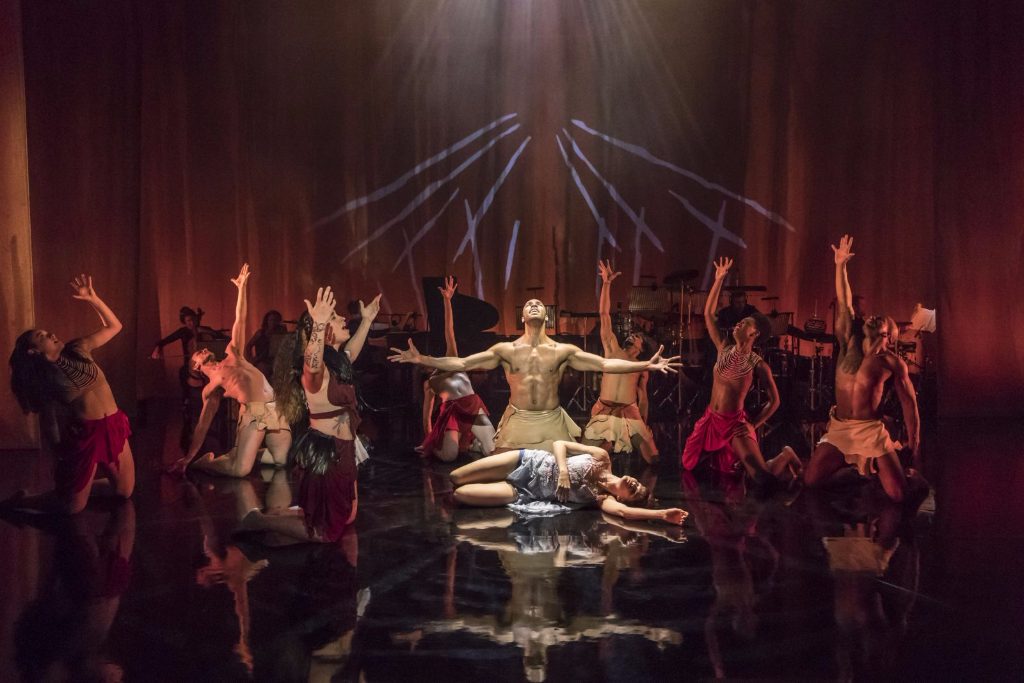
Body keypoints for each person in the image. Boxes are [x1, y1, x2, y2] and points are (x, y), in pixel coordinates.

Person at [389, 299, 681, 454]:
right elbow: (462, 361)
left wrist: (647, 365)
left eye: (539, 304)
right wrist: (422, 359)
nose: (533, 305)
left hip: (551, 420)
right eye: (529, 304)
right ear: (523, 317)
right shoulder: (506, 349)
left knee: (587, 466)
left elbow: (605, 363)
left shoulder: (562, 350)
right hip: (518, 420)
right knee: (482, 475)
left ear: (546, 316)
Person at [242, 285, 382, 543]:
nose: (343, 318)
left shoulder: (337, 363)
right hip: (326, 454)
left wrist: (367, 321)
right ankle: (258, 520)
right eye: (334, 317)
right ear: (323, 331)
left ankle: (295, 514)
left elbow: (351, 351)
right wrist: (318, 324)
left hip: (345, 448)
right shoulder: (316, 370)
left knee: (348, 517)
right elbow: (312, 365)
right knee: (324, 533)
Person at [804, 235, 924, 502]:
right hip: (840, 427)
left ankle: (906, 477)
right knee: (811, 481)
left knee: (899, 495)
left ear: (889, 335)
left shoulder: (891, 362)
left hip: (870, 430)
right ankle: (857, 471)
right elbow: (845, 302)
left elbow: (910, 405)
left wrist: (915, 446)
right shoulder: (849, 341)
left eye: (881, 319)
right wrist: (840, 266)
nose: (874, 316)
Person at [6, 275, 135, 514]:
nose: (50, 334)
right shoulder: (45, 378)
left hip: (114, 423)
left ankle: (73, 490)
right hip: (86, 433)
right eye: (42, 336)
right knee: (72, 508)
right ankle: (24, 501)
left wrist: (93, 299)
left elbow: (114, 327)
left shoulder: (78, 348)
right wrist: (58, 453)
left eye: (47, 332)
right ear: (33, 351)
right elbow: (49, 420)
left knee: (124, 491)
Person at [680, 257, 801, 487]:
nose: (738, 324)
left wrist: (753, 425)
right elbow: (708, 315)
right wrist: (718, 279)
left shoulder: (758, 364)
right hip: (710, 419)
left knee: (761, 479)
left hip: (734, 424)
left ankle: (786, 454)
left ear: (755, 334)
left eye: (745, 323)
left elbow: (775, 401)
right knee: (689, 464)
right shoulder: (724, 347)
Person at [167, 264, 291, 476]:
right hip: (254, 411)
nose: (202, 349)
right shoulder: (212, 388)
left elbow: (240, 320)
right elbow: (202, 426)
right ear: (196, 366)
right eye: (197, 353)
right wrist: (189, 458)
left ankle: (240, 452)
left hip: (273, 407)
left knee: (280, 460)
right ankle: (206, 463)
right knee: (239, 471)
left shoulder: (232, 354)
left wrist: (241, 289)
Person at [450, 440, 688, 524]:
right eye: (638, 484)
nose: (635, 484)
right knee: (455, 477)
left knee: (460, 494)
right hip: (526, 461)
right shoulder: (602, 457)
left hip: (524, 491)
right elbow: (559, 444)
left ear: (622, 498)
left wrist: (661, 515)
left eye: (634, 492)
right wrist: (563, 471)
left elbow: (624, 514)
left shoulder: (602, 498)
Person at [582, 260, 659, 463]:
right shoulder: (613, 349)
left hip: (629, 412)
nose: (633, 336)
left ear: (642, 348)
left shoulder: (641, 368)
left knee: (652, 458)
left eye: (637, 337)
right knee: (587, 458)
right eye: (633, 334)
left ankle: (617, 444)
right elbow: (604, 315)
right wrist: (607, 284)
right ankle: (610, 445)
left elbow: (643, 397)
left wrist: (644, 422)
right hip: (604, 409)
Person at [420, 276, 495, 461]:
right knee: (449, 456)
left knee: (491, 450)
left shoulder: (451, 361)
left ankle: (475, 443)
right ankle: (441, 446)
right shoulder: (430, 383)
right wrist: (428, 440)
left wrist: (447, 301)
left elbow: (449, 331)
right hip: (452, 413)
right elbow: (426, 415)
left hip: (471, 404)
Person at [151, 305, 228, 450]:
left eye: (193, 320)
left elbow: (222, 338)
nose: (191, 323)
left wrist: (208, 332)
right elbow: (163, 341)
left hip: (207, 368)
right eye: (188, 321)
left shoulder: (203, 329)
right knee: (183, 375)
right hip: (189, 366)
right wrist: (157, 349)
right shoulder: (183, 332)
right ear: (184, 322)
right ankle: (187, 404)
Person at [245, 309, 287, 379]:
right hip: (262, 361)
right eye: (271, 320)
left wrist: (284, 333)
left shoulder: (280, 333)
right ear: (267, 321)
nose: (273, 322)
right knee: (264, 371)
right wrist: (250, 359)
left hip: (276, 361)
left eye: (276, 320)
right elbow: (249, 346)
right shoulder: (260, 333)